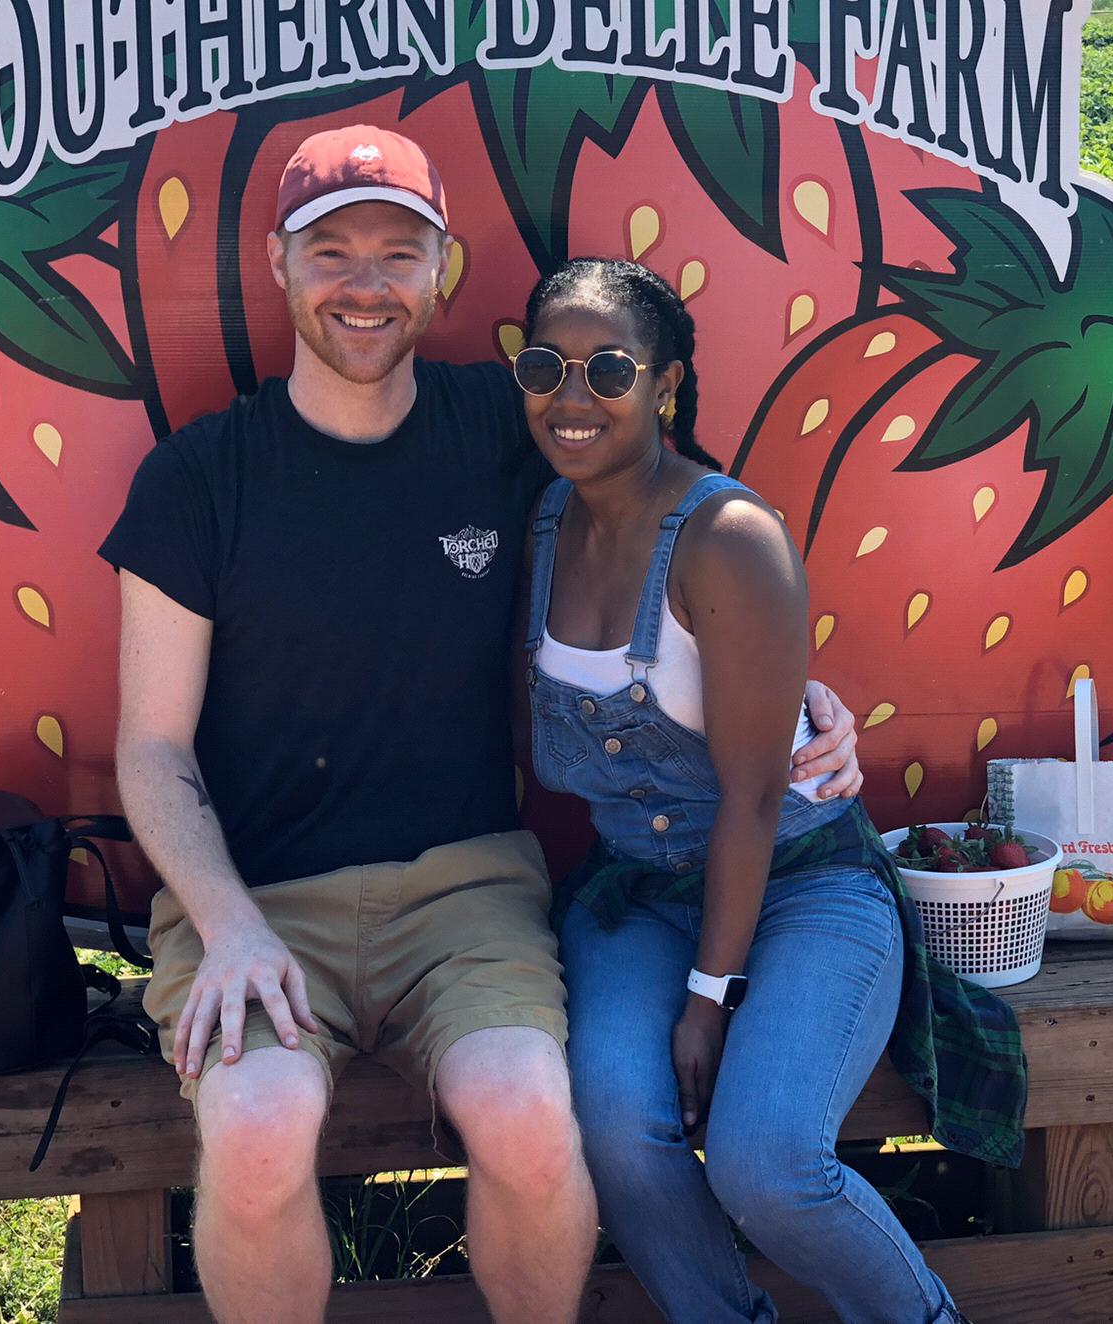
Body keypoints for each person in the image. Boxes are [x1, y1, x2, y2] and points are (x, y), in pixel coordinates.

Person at [100, 127, 863, 1324]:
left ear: (443, 271)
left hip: (463, 892)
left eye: (398, 253)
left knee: (523, 1107)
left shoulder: (504, 428)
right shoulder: (199, 477)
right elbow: (149, 745)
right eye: (331, 251)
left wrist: (803, 690)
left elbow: (692, 523)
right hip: (253, 898)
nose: (365, 284)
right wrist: (231, 927)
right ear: (278, 265)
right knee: (255, 1127)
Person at [515, 258, 1028, 1324]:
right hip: (637, 892)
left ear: (665, 385)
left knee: (764, 1161)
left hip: (801, 882)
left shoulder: (726, 538)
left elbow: (753, 797)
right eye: (544, 367)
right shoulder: (538, 528)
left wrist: (708, 1000)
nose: (572, 397)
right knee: (615, 1125)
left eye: (608, 369)